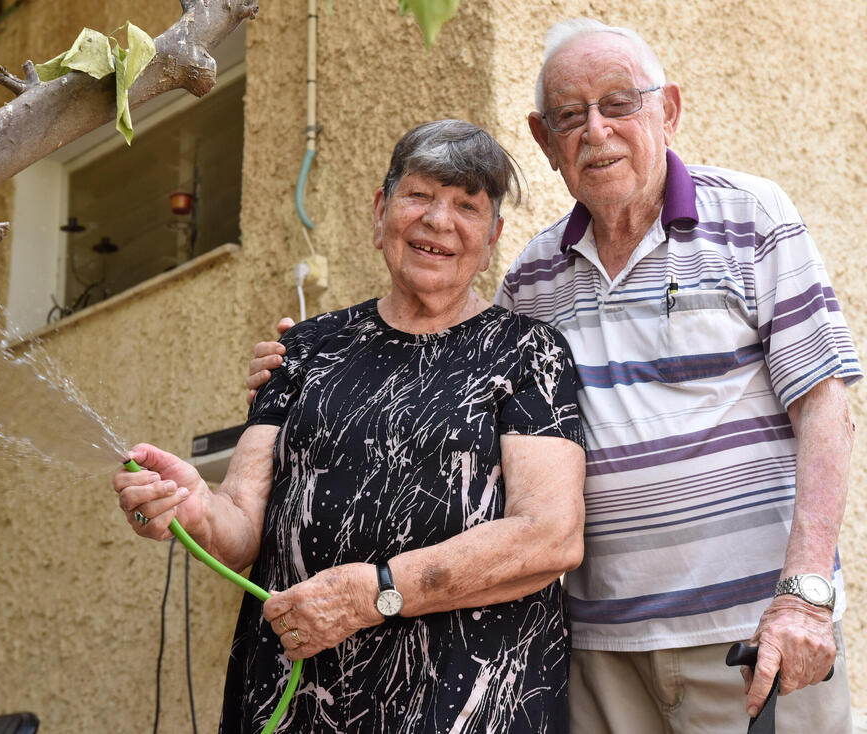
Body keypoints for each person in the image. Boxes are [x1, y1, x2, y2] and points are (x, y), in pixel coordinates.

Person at [247, 18, 862, 733]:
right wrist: (309, 371)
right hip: (600, 656)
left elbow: (825, 409)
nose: (595, 130)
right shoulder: (534, 278)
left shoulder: (753, 217)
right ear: (545, 141)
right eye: (570, 115)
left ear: (668, 111)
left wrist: (805, 596)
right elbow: (467, 403)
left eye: (619, 103)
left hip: (751, 636)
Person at [116, 120, 587, 733]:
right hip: (293, 700)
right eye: (418, 195)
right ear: (381, 210)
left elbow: (550, 537)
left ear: (492, 238)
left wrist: (375, 594)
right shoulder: (306, 350)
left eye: (466, 206)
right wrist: (190, 505)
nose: (438, 221)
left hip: (468, 704)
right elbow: (241, 522)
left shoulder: (529, 353)